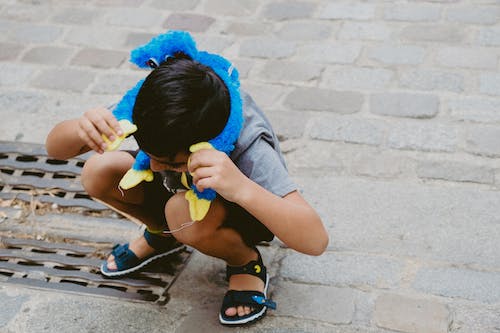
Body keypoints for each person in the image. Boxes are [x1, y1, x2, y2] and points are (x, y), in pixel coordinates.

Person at [46, 52, 328, 325]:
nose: (155, 168)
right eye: (150, 154)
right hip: (182, 192)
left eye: (172, 162)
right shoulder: (155, 108)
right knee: (98, 171)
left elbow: (315, 240)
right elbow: (55, 149)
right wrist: (81, 128)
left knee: (180, 211)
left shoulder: (248, 143)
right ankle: (164, 235)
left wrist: (240, 187)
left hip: (234, 209)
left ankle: (243, 259)